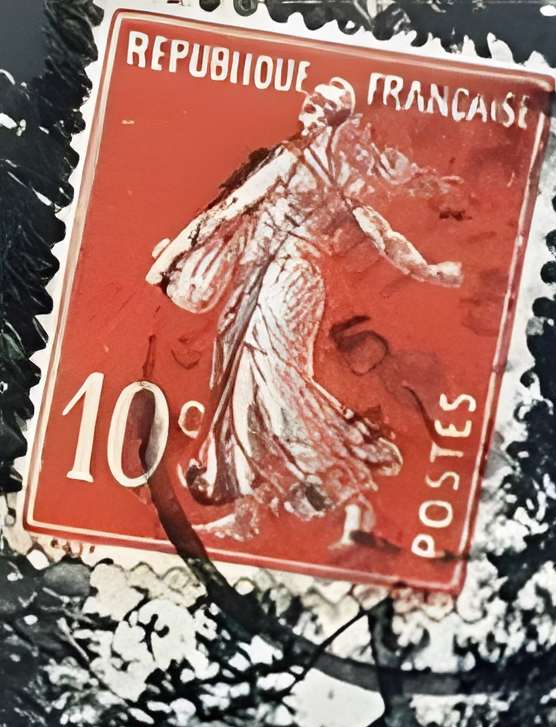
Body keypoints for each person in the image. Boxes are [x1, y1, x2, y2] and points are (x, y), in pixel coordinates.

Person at [142, 76, 466, 550]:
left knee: (273, 388)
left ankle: (346, 485)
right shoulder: (337, 176)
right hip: (266, 282)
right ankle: (250, 512)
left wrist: (170, 258)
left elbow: (233, 207)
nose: (310, 106)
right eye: (314, 99)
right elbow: (382, 235)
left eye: (323, 104)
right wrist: (432, 271)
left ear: (331, 119)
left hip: (280, 281)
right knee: (240, 391)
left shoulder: (292, 160)